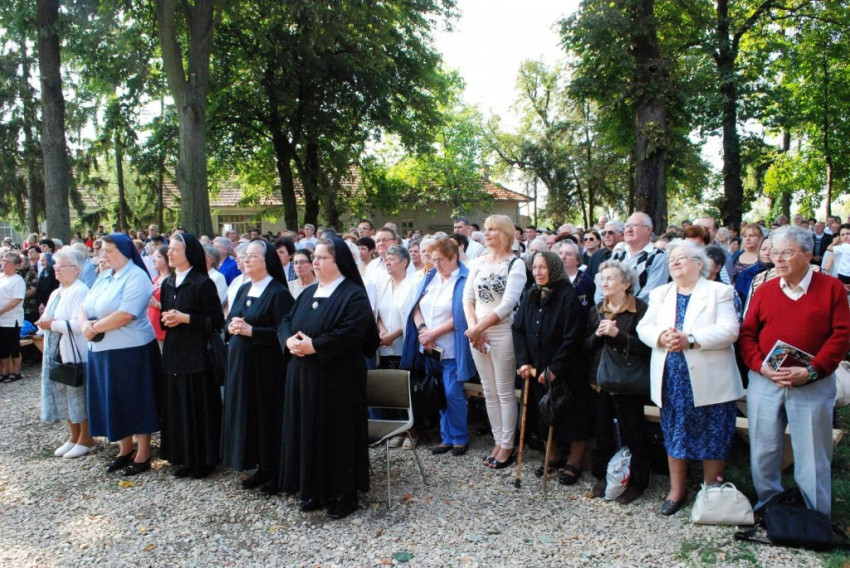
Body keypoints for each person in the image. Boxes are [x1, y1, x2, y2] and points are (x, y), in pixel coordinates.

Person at [739, 226, 850, 517]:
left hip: (812, 382)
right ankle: (769, 507)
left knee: (813, 453)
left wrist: (813, 370)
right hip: (766, 380)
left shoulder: (832, 289)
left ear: (808, 255)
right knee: (763, 449)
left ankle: (815, 516)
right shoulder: (765, 290)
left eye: (786, 253)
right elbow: (748, 333)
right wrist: (761, 367)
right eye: (775, 252)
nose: (777, 258)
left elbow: (841, 335)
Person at [637, 240, 743, 515]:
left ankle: (711, 492)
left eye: (681, 257)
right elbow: (644, 327)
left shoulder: (720, 291)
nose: (674, 262)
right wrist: (661, 337)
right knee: (674, 433)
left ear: (699, 263)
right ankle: (676, 491)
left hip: (711, 380)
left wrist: (691, 339)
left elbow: (729, 331)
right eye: (671, 258)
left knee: (713, 434)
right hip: (671, 380)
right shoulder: (660, 293)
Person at [279, 237, 380, 519]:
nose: (315, 262)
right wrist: (288, 340)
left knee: (338, 433)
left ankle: (345, 493)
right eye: (315, 257)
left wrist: (316, 346)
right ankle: (314, 488)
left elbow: (353, 331)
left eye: (322, 257)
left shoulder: (353, 295)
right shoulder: (309, 292)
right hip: (303, 376)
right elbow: (286, 320)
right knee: (309, 430)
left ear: (339, 262)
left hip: (338, 379)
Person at [79, 234, 161, 476]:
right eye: (102, 250)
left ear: (124, 252)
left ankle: (143, 453)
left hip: (130, 350)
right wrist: (84, 325)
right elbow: (84, 305)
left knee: (135, 399)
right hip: (101, 349)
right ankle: (124, 449)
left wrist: (93, 328)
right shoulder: (104, 276)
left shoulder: (136, 276)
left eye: (109, 251)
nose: (103, 255)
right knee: (113, 400)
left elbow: (127, 313)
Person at [221, 239, 293, 494]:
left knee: (268, 418)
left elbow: (283, 333)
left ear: (267, 261)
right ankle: (261, 466)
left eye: (252, 256)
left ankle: (276, 471)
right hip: (242, 368)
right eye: (245, 256)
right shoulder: (244, 288)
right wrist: (231, 327)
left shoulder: (278, 293)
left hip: (267, 370)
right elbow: (229, 320)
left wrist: (253, 331)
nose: (246, 259)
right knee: (250, 417)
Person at [513, 251, 591, 485]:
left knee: (574, 417)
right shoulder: (530, 294)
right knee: (543, 412)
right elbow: (518, 329)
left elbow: (572, 336)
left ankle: (574, 462)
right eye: (535, 267)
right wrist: (524, 361)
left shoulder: (568, 295)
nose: (538, 272)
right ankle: (553, 457)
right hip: (537, 368)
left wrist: (556, 367)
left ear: (554, 269)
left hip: (567, 368)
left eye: (543, 267)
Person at [463, 214, 527, 469]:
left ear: (505, 233)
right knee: (488, 391)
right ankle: (498, 441)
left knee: (504, 391)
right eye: (486, 229)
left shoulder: (516, 264)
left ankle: (507, 445)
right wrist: (473, 329)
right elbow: (468, 299)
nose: (487, 233)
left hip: (501, 332)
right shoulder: (478, 262)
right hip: (477, 333)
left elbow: (508, 304)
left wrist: (479, 328)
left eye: (493, 229)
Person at [584, 261, 652, 503]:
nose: (604, 283)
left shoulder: (640, 309)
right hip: (599, 381)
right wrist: (597, 335)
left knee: (634, 433)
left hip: (627, 383)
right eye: (602, 279)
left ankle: (637, 482)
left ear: (626, 284)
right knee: (602, 433)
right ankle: (605, 477)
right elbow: (584, 346)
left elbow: (647, 348)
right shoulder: (596, 310)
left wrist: (618, 335)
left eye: (610, 278)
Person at [159, 233, 225, 479]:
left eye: (175, 249)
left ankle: (204, 460)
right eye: (169, 249)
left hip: (197, 353)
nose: (169, 253)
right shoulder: (168, 283)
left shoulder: (201, 282)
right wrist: (168, 319)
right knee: (178, 405)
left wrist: (186, 318)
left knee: (198, 406)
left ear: (189, 253)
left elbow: (216, 321)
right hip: (174, 351)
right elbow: (167, 316)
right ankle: (184, 457)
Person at [402, 237, 475, 456]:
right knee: (438, 390)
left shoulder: (464, 278)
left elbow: (461, 314)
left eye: (440, 260)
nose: (436, 264)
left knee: (453, 392)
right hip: (429, 347)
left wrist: (434, 333)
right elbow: (416, 307)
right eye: (433, 260)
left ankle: (460, 437)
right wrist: (423, 330)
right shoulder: (430, 276)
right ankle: (446, 437)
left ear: (454, 258)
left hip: (451, 347)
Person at [37, 248, 95, 458]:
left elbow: (79, 325)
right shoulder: (57, 291)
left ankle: (86, 438)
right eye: (56, 265)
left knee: (77, 394)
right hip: (57, 350)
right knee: (63, 392)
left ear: (76, 269)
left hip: (74, 351)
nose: (57, 269)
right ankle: (73, 436)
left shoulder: (80, 290)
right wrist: (45, 322)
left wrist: (52, 324)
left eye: (62, 265)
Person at [375, 245, 416, 370]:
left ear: (404, 262)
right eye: (386, 260)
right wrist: (382, 330)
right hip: (383, 348)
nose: (387, 262)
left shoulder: (413, 285)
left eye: (392, 259)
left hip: (404, 347)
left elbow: (413, 316)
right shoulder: (380, 285)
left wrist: (393, 335)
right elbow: (376, 314)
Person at [0, 252, 26, 383]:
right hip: (1, 319)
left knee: (13, 346)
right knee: (2, 347)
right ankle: (4, 372)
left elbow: (16, 300)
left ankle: (16, 372)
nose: (4, 264)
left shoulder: (17, 280)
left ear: (16, 265)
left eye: (8, 262)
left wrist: (1, 311)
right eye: (3, 260)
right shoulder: (1, 277)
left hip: (11, 318)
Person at [148, 245, 171, 348]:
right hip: (151, 327)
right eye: (153, 257)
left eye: (158, 256)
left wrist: (156, 304)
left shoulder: (172, 280)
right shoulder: (155, 279)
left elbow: (175, 305)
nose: (153, 259)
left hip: (163, 329)